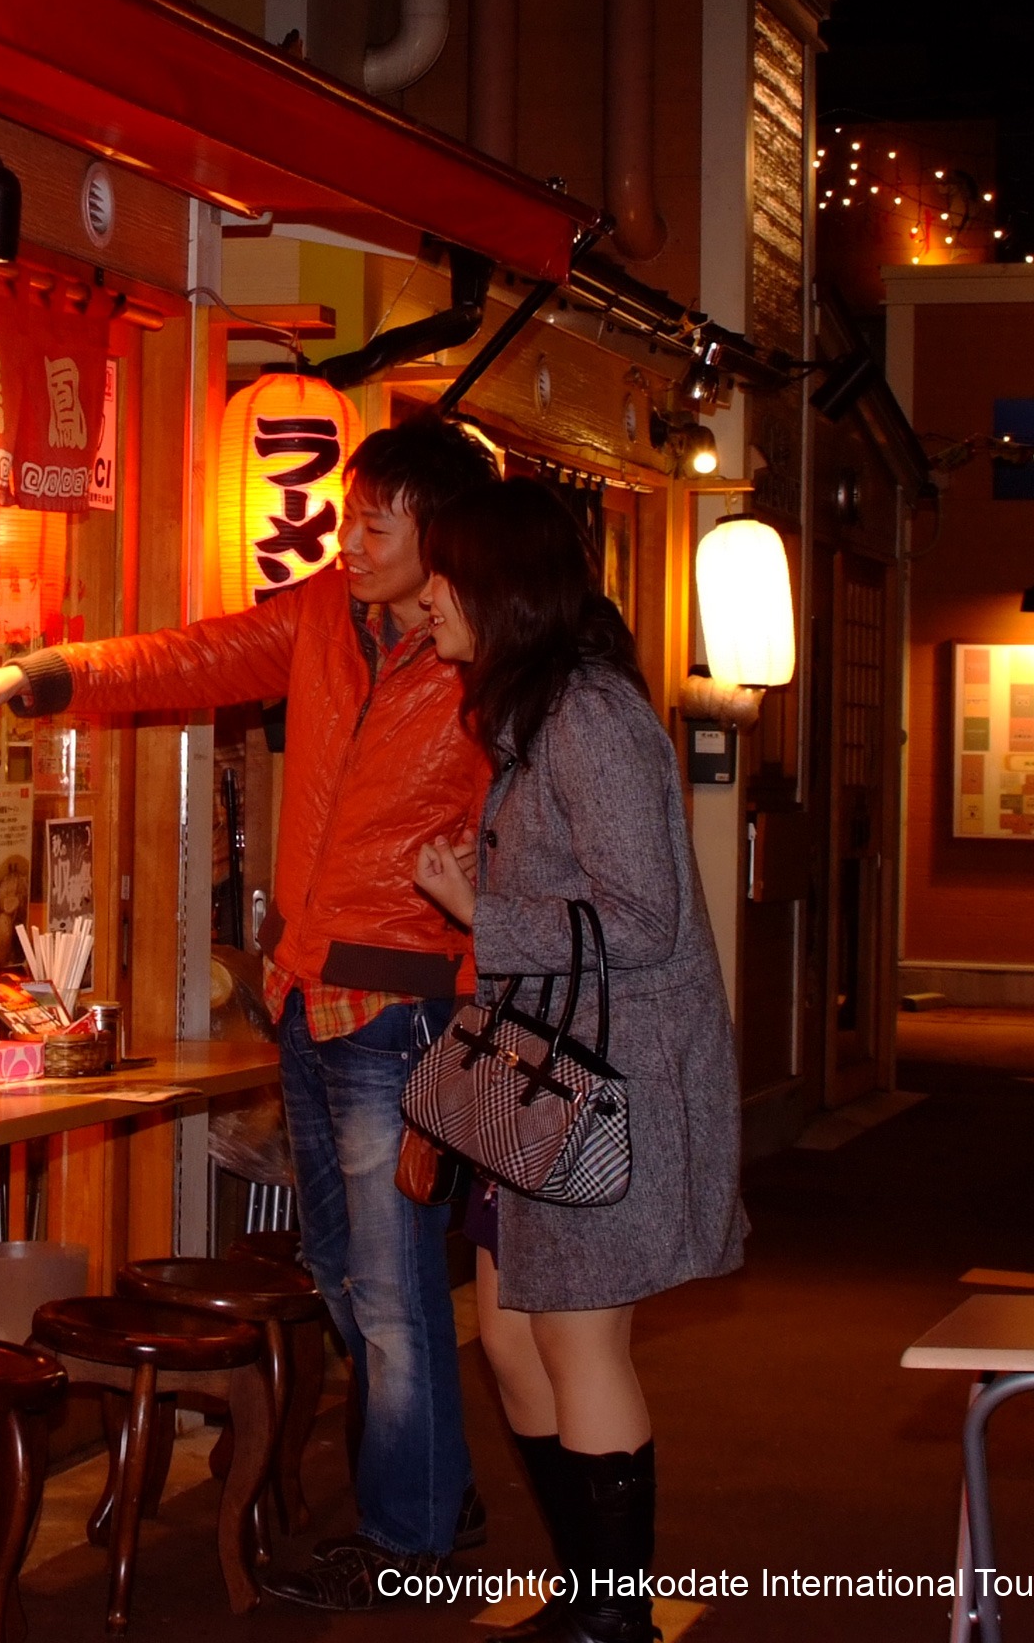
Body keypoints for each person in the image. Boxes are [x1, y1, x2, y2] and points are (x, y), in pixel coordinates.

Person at [0, 416, 497, 1605]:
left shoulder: (489, 655)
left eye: (379, 518)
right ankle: (434, 1493)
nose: (352, 536)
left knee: (392, 1284)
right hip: (304, 996)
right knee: (345, 1272)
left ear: (442, 531)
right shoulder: (324, 615)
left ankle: (414, 1538)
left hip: (404, 1005)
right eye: (354, 511)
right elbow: (188, 656)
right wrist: (33, 674)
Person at [408, 479, 745, 1643]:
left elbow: (644, 916)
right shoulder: (536, 709)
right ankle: (590, 1589)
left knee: (575, 1334)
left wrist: (480, 911)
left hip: (610, 1080)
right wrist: (490, 888)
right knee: (508, 1329)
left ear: (502, 585)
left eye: (442, 573)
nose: (425, 595)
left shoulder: (588, 714)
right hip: (545, 1076)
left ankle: (612, 1617)